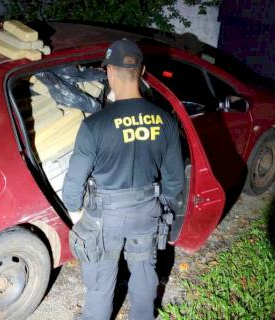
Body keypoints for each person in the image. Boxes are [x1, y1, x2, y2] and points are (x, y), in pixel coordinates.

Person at [62, 38, 184, 320]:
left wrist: (76, 215)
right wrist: (156, 205)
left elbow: (74, 182)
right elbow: (175, 181)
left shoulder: (94, 125)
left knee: (100, 286)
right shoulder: (165, 120)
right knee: (143, 276)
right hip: (146, 212)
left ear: (109, 72)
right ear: (142, 72)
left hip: (104, 218)